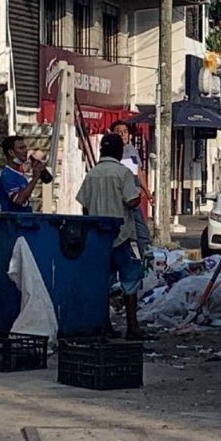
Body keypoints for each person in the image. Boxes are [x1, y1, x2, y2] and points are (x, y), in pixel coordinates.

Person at [77, 133, 149, 340]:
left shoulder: (92, 173)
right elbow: (131, 201)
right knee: (130, 279)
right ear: (119, 152)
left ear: (101, 150)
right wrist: (139, 195)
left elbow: (84, 204)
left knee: (103, 282)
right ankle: (132, 326)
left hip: (99, 237)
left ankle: (105, 324)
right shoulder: (123, 173)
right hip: (121, 234)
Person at [110, 120, 152, 257]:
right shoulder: (111, 152)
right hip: (119, 200)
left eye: (125, 132)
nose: (122, 134)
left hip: (133, 198)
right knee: (121, 236)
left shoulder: (131, 149)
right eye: (119, 132)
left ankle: (147, 264)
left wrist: (148, 192)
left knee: (143, 234)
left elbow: (138, 171)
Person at [0, 136, 46, 213]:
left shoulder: (19, 175)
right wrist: (35, 179)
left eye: (25, 147)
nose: (25, 151)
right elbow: (19, 200)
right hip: (14, 222)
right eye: (21, 148)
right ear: (11, 152)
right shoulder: (7, 175)